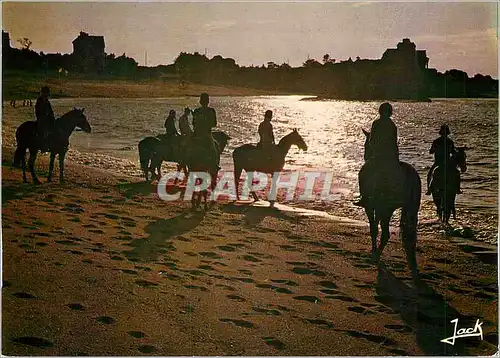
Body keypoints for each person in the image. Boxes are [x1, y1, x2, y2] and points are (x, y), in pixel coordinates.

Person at [355, 102, 399, 207]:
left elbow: (372, 141)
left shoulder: (376, 123)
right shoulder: (393, 125)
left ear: (380, 112)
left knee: (363, 172)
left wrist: (375, 151)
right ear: (390, 113)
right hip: (392, 157)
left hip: (379, 156)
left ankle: (364, 197)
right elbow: (394, 142)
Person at [426, 124, 461, 195]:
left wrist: (435, 149)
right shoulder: (450, 142)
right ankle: (458, 189)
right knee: (457, 173)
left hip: (438, 162)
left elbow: (431, 151)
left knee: (430, 174)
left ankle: (429, 189)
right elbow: (453, 152)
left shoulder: (436, 141)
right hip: (446, 162)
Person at [192, 93, 219, 169]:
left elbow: (193, 123)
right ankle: (215, 165)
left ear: (200, 101)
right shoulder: (211, 111)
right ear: (208, 101)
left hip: (196, 134)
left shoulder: (196, 111)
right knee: (214, 149)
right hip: (207, 135)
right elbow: (214, 124)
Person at [35, 86, 56, 152]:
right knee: (44, 130)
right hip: (41, 119)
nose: (46, 95)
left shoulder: (47, 101)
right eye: (46, 94)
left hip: (47, 119)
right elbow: (38, 111)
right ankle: (43, 146)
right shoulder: (39, 100)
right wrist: (45, 115)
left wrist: (52, 117)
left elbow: (50, 111)